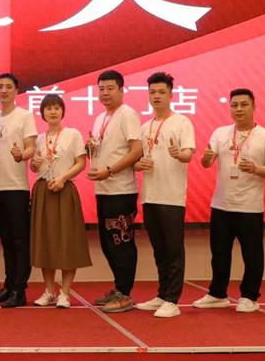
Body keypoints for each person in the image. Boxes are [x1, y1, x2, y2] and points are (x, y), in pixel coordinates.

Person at [194, 89, 265, 313]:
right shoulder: (220, 133)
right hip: (221, 204)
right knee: (219, 254)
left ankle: (250, 296)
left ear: (254, 107)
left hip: (250, 206)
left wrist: (256, 169)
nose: (239, 109)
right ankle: (217, 294)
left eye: (244, 104)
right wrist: (205, 158)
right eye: (234, 105)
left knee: (252, 254)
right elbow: (206, 163)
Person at [133, 72, 195, 318]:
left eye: (161, 92)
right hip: (150, 195)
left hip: (172, 196)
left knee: (173, 250)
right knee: (159, 250)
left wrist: (178, 154)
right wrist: (138, 164)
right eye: (152, 92)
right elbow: (135, 159)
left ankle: (172, 300)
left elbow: (188, 154)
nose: (156, 96)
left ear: (171, 95)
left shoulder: (181, 122)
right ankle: (162, 294)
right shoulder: (144, 127)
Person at [86, 70, 143, 313]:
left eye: (110, 88)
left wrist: (109, 170)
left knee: (122, 241)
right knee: (108, 243)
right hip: (104, 189)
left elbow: (137, 150)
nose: (105, 93)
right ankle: (119, 287)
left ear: (121, 90)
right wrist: (90, 149)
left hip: (121, 190)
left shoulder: (127, 114)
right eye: (101, 89)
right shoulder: (101, 117)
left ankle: (125, 293)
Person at [0, 73, 37, 308]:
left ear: (16, 91)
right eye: (0, 87)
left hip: (17, 188)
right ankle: (8, 285)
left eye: (8, 87)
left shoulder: (24, 116)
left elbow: (31, 148)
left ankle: (19, 290)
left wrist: (20, 155)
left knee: (20, 241)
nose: (3, 90)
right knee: (6, 241)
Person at [30, 94, 91, 309]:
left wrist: (63, 178)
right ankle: (49, 291)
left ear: (63, 111)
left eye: (56, 108)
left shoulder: (72, 134)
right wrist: (34, 163)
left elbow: (81, 162)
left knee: (67, 241)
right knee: (45, 241)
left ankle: (65, 293)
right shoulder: (39, 139)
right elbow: (34, 167)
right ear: (43, 113)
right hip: (43, 190)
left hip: (64, 189)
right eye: (48, 108)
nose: (53, 112)